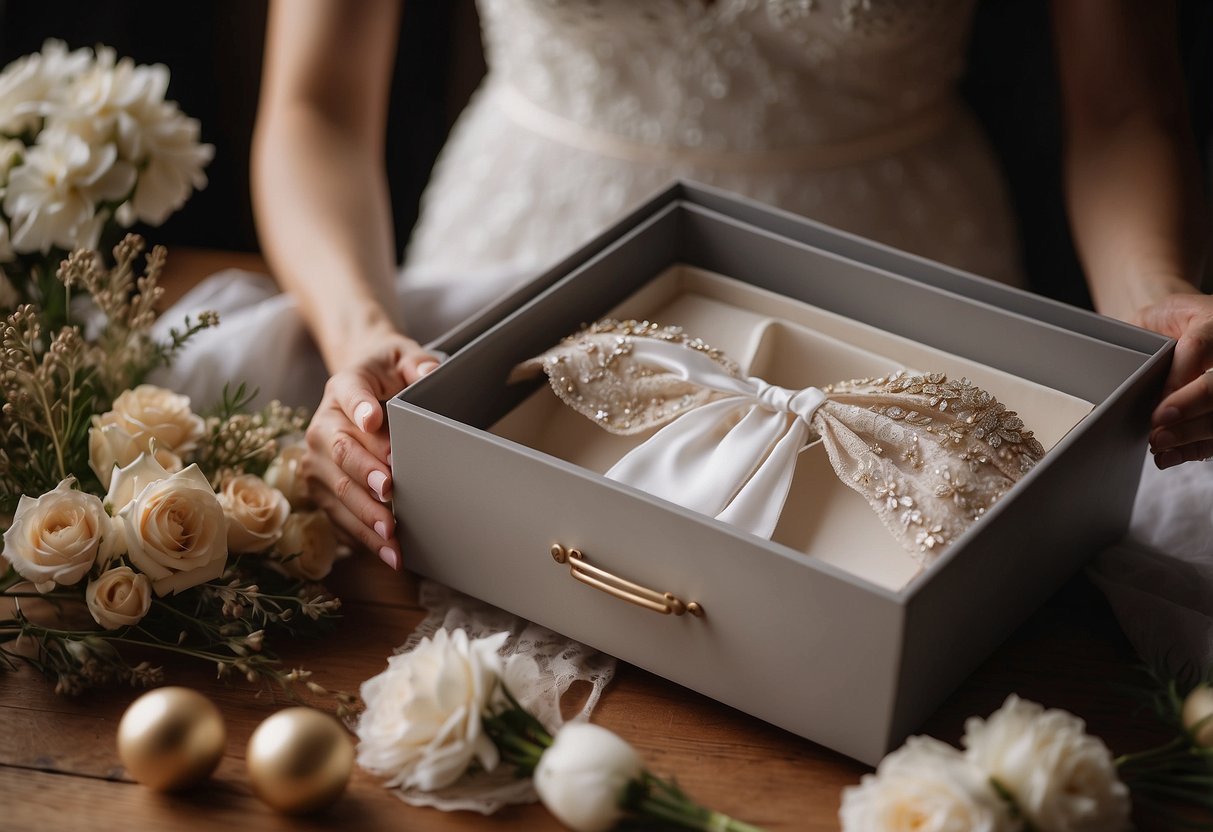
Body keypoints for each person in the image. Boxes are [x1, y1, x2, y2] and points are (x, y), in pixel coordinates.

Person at [172, 0, 1208, 574]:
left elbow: (1123, 107)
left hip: (901, 282)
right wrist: (359, 322)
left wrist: (1152, 289)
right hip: (518, 266)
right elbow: (315, 106)